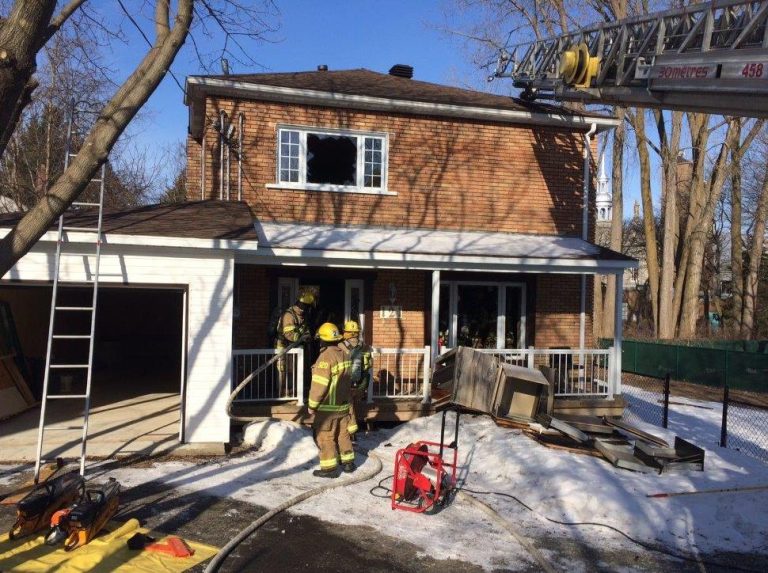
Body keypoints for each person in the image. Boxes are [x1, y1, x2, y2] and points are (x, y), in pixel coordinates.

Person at [308, 322, 355, 478]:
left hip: (328, 407)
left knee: (325, 436)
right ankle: (348, 462)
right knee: (343, 434)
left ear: (323, 340)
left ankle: (329, 469)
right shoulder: (344, 353)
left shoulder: (325, 357)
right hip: (343, 405)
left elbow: (319, 386)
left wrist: (312, 405)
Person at [275, 292, 315, 397]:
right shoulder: (289, 315)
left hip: (294, 347)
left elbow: (305, 330)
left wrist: (309, 336)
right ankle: (282, 394)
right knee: (282, 371)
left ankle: (292, 392)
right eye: (308, 307)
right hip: (283, 347)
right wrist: (302, 338)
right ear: (303, 306)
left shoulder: (302, 316)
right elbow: (289, 334)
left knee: (293, 370)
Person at [341, 320, 372, 439]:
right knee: (352, 406)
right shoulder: (365, 347)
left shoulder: (341, 346)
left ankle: (350, 432)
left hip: (344, 382)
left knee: (348, 408)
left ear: (347, 333)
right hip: (359, 383)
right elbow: (368, 365)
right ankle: (351, 431)